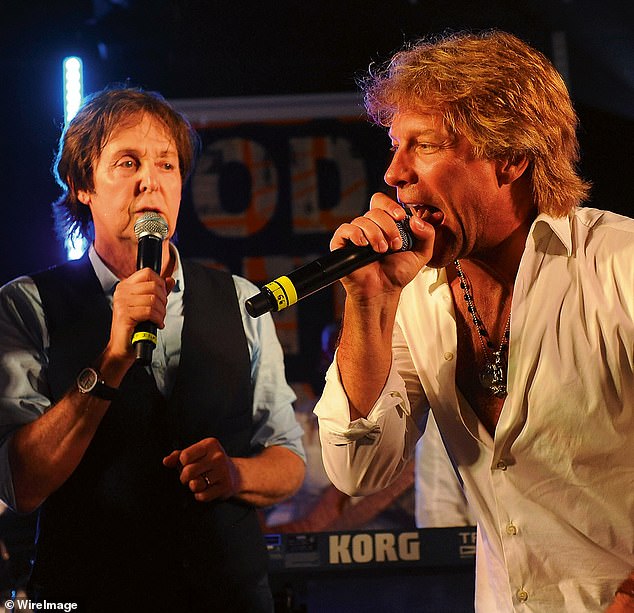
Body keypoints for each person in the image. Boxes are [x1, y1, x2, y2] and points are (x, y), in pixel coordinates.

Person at [314, 30, 634, 613]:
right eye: (395, 145)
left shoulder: (618, 264)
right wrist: (370, 301)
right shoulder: (413, 295)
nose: (394, 173)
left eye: (425, 145)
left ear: (511, 157)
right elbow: (358, 469)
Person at [0, 86, 306, 613]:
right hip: (86, 595)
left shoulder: (242, 301)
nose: (151, 180)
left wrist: (237, 474)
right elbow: (21, 484)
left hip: (227, 597)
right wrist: (113, 358)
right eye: (127, 162)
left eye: (167, 164)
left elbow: (288, 459)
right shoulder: (27, 305)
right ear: (81, 186)